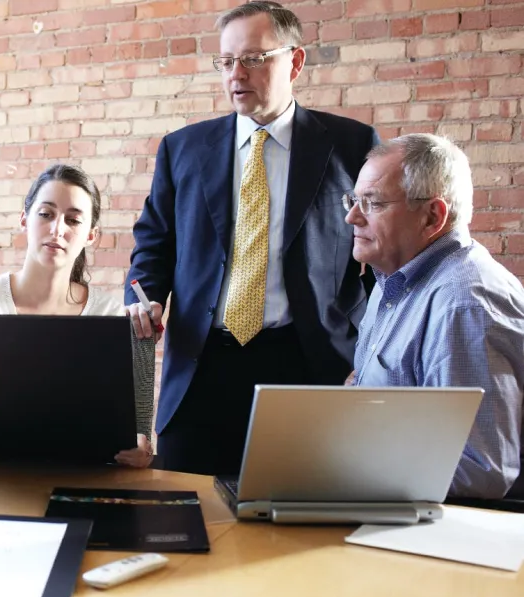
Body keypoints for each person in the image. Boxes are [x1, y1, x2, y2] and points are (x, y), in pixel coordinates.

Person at [125, 1, 380, 476]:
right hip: (202, 366)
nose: (235, 74)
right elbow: (153, 246)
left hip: (308, 366)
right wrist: (144, 297)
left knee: (300, 528)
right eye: (226, 61)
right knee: (184, 517)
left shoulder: (351, 145)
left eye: (253, 59)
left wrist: (368, 351)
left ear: (295, 61)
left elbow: (380, 260)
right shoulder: (183, 148)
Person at [346, 134, 524, 499]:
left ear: (432, 216)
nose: (352, 216)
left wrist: (341, 467)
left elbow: (480, 470)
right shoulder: (394, 275)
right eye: (353, 200)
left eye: (373, 203)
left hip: (438, 531)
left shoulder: (465, 304)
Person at [0, 164, 155, 468]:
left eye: (73, 220)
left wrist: (139, 443)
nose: (57, 229)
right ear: (24, 219)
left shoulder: (108, 314)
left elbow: (131, 424)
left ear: (91, 235)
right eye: (46, 214)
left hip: (81, 474)